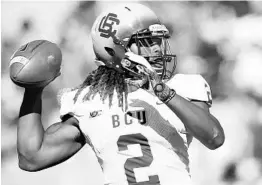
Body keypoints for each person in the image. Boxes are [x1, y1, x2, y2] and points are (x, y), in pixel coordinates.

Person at [17, 3, 225, 185]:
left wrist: (160, 90)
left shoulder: (181, 86)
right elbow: (32, 158)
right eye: (147, 42)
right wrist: (33, 90)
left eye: (158, 40)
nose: (158, 49)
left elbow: (214, 137)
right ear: (116, 49)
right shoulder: (90, 101)